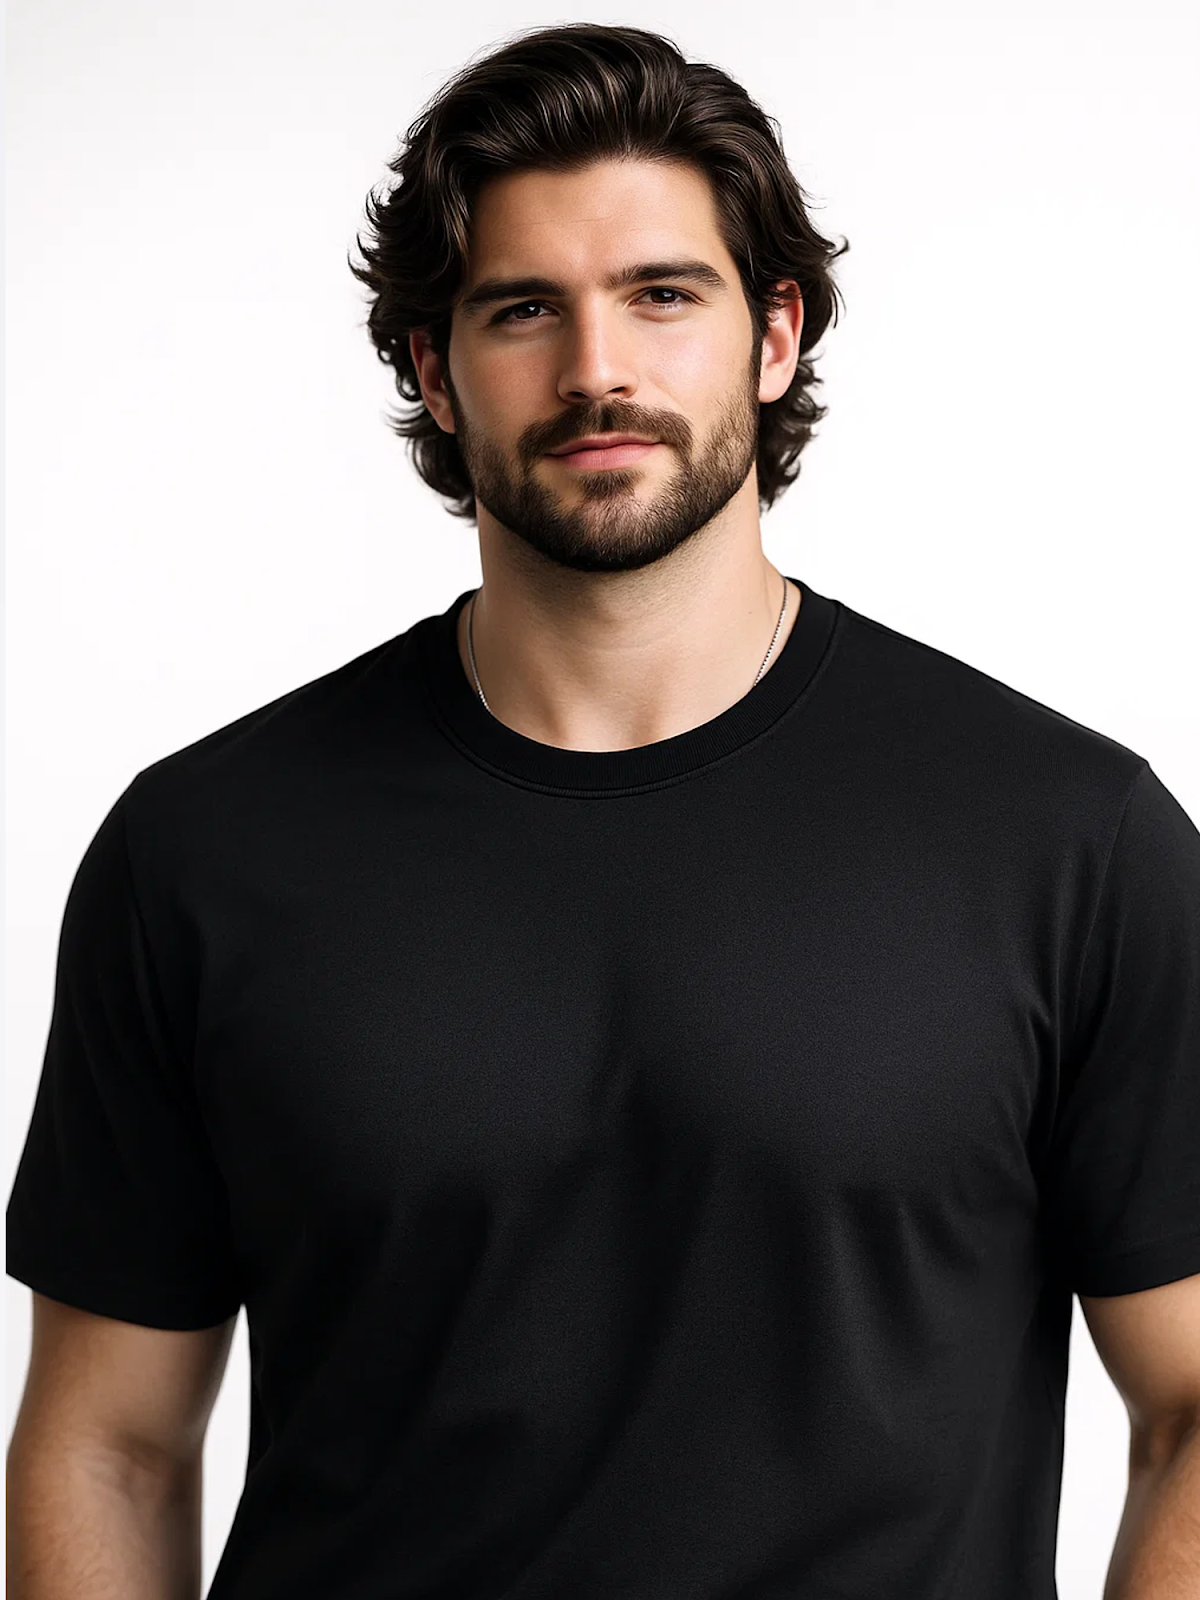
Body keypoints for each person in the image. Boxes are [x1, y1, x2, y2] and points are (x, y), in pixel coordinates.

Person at [7, 21, 1200, 1600]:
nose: (596, 371)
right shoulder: (204, 853)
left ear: (774, 336)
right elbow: (111, 1446)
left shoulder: (1071, 842)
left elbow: (1193, 1404)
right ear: (432, 370)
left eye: (663, 295)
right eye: (522, 309)